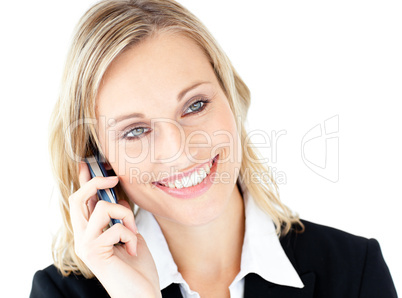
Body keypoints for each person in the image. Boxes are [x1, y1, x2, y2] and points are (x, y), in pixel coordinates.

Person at [30, 0, 397, 297]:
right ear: (100, 161)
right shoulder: (60, 293)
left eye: (195, 105)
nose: (178, 149)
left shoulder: (354, 271)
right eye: (136, 130)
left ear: (231, 98)